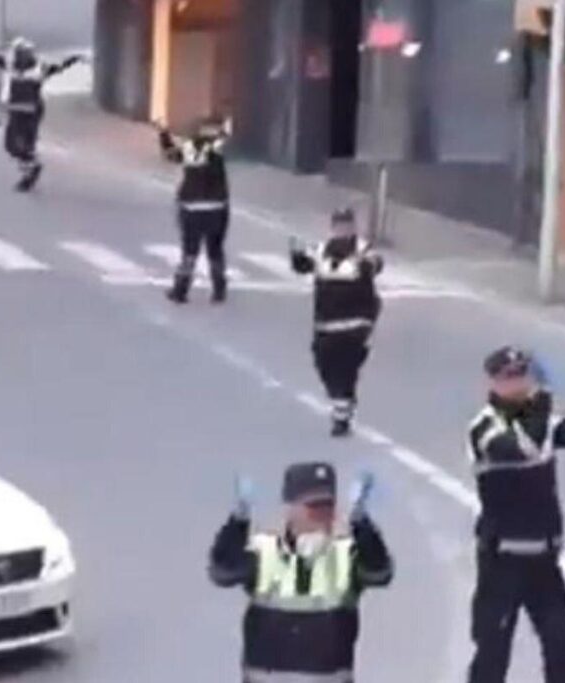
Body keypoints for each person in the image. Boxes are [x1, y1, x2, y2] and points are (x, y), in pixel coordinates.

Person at [466, 343, 565, 683]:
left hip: (543, 561)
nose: (517, 384)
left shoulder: (543, 422)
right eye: (508, 378)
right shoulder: (484, 428)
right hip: (502, 561)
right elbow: (526, 449)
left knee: (562, 650)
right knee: (492, 655)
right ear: (492, 383)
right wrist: (544, 399)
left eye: (522, 375)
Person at [209, 462, 393, 683]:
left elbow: (379, 572)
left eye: (328, 507)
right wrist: (238, 522)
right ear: (291, 509)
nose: (323, 515)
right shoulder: (265, 552)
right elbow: (223, 572)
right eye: (313, 507)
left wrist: (361, 524)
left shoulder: (345, 554)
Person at [290, 209, 382, 437]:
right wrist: (297, 256)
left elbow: (375, 265)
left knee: (346, 369)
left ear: (353, 227)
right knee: (324, 365)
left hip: (356, 323)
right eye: (338, 225)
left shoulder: (363, 250)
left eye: (346, 225)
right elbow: (304, 266)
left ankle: (341, 415)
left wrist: (359, 264)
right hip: (326, 323)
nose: (342, 230)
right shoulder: (321, 250)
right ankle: (343, 402)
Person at [0, 36, 84, 192]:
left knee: (22, 145)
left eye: (21, 54)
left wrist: (73, 59)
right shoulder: (16, 68)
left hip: (30, 112)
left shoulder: (37, 69)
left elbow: (58, 67)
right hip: (19, 111)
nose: (19, 57)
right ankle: (30, 168)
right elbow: (0, 61)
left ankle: (30, 172)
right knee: (13, 145)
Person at [157, 116, 231, 304]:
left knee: (190, 251)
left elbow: (170, 154)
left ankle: (180, 290)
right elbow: (228, 137)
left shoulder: (189, 146)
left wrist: (163, 133)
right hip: (216, 206)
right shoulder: (218, 145)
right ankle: (219, 289)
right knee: (215, 249)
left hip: (191, 206)